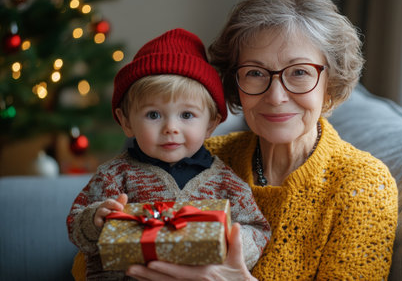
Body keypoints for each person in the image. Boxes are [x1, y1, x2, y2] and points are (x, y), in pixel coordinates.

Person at [125, 0, 398, 281]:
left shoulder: (362, 185)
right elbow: (88, 265)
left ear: (329, 87)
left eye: (299, 72)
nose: (276, 96)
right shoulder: (203, 158)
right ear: (236, 84)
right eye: (255, 73)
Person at [67, 28, 271, 280]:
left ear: (211, 124)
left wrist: (231, 240)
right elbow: (76, 224)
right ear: (126, 121)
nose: (170, 128)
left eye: (187, 115)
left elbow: (259, 229)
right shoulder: (114, 176)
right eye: (153, 115)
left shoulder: (226, 182)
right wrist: (95, 219)